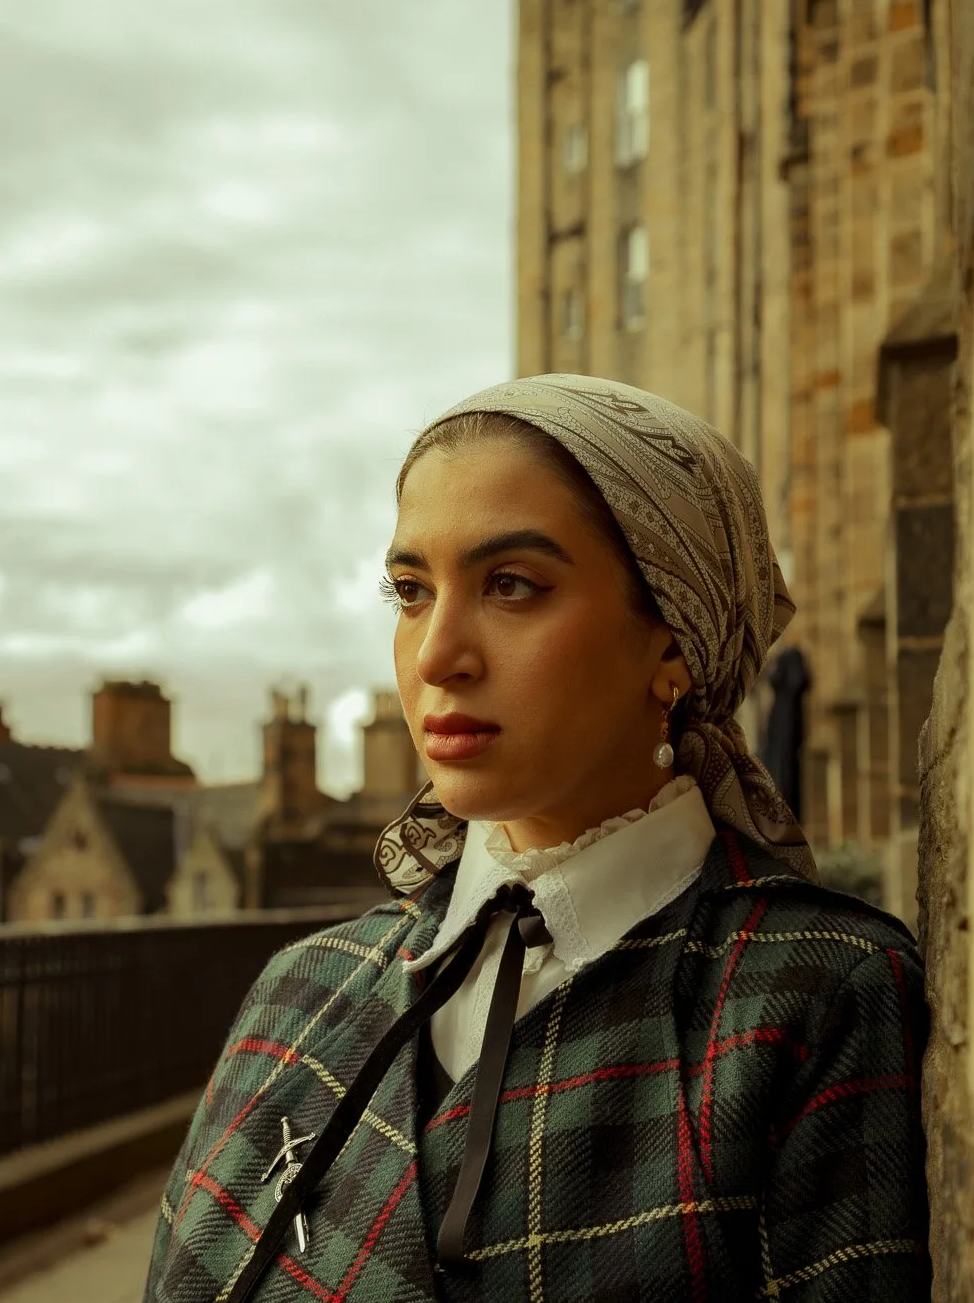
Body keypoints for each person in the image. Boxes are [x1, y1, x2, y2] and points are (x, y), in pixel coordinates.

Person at [142, 376, 931, 1302]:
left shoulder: (814, 994)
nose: (437, 654)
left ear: (674, 638)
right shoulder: (302, 989)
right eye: (410, 590)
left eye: (512, 585)